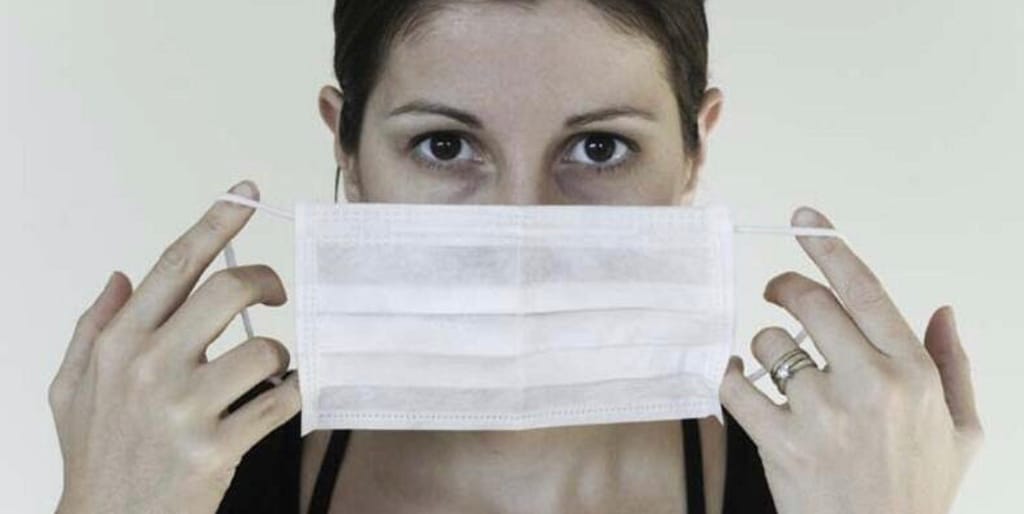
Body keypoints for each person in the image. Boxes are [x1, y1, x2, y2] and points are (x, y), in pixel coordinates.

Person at [48, 1, 984, 513]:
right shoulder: (194, 477)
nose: (523, 228)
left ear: (694, 149)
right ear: (349, 148)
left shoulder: (827, 487)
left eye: (600, 148)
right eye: (445, 146)